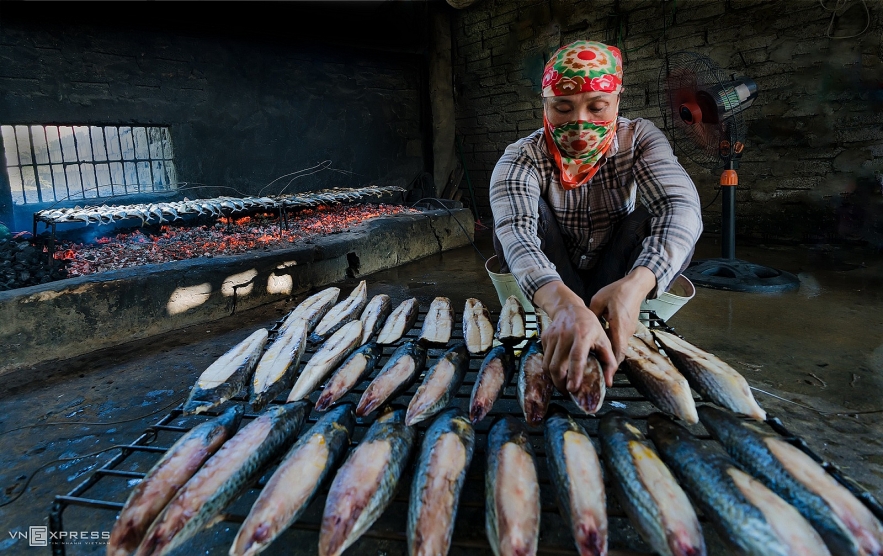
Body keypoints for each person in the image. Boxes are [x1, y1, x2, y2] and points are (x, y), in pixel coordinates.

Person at [489, 39, 702, 394]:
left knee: (657, 218)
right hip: (556, 274)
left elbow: (681, 208)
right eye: (563, 107)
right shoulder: (523, 156)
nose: (580, 122)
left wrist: (636, 285)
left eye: (598, 106)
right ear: (545, 105)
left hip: (614, 273)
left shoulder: (639, 139)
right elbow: (517, 233)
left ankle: (619, 306)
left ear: (618, 101)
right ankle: (561, 309)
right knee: (513, 223)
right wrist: (561, 301)